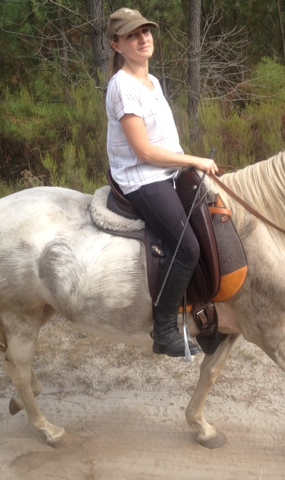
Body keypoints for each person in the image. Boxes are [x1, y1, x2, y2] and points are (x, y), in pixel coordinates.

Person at [105, 8, 218, 357]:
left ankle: (207, 315)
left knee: (212, 224)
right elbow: (144, 151)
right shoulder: (122, 86)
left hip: (168, 172)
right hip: (142, 177)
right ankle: (165, 330)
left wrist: (186, 165)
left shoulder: (152, 81)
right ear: (117, 46)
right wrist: (195, 160)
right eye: (132, 35)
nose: (143, 39)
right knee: (187, 247)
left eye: (145, 31)